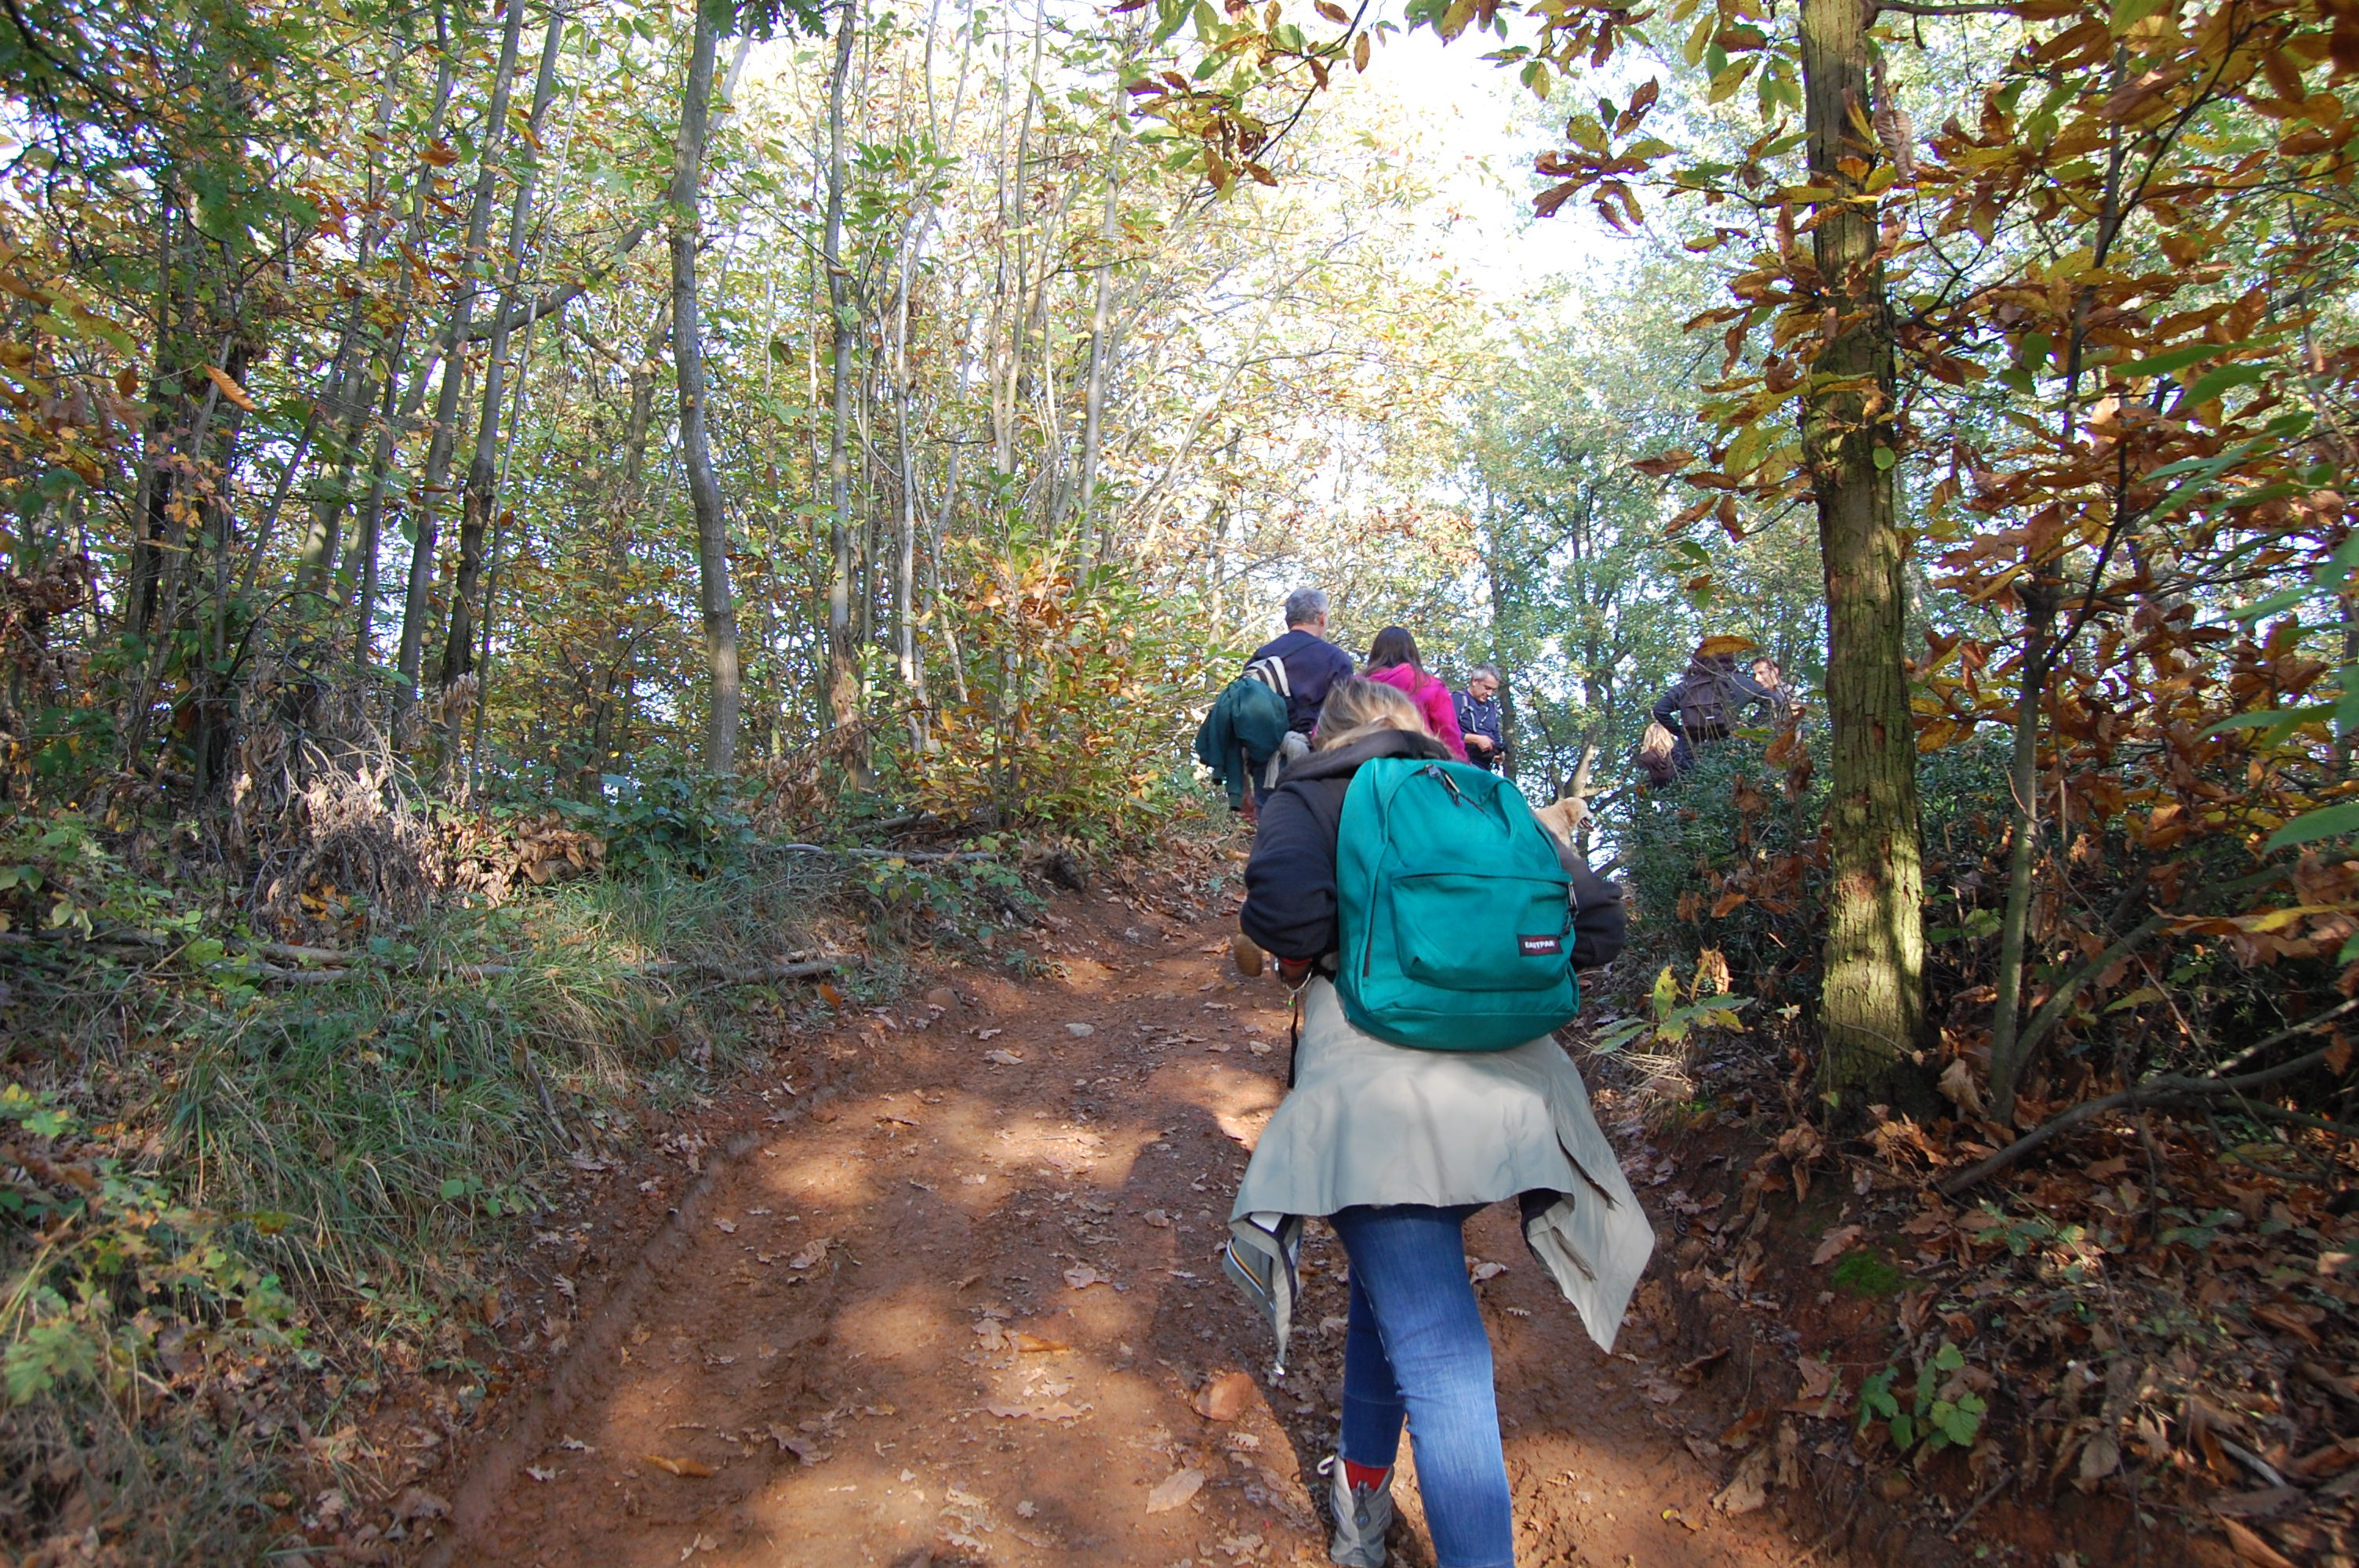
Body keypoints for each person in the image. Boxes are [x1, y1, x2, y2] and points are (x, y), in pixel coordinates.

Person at [1225, 678, 1649, 1568]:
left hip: (1379, 1106)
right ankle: (1362, 1501)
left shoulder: (1308, 791)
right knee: (1398, 1299)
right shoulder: (1484, 795)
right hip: (1509, 1103)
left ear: (1326, 735)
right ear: (1421, 728)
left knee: (1439, 1347)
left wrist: (1319, 952)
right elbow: (1600, 926)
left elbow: (1282, 919)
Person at [1248, 587, 1356, 741]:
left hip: (1260, 754)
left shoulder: (1261, 656)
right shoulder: (1336, 660)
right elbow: (1342, 719)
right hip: (1313, 756)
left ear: (1288, 620)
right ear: (1322, 618)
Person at [1649, 640, 1778, 760]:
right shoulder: (1741, 682)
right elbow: (1775, 703)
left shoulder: (1687, 685)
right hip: (1729, 749)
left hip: (1691, 751)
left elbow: (1660, 710)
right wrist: (1750, 726)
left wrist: (1681, 733)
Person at [1361, 626, 1467, 760]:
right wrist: (1462, 769)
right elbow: (1449, 737)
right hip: (1418, 768)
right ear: (1412, 652)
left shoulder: (1354, 687)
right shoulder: (1430, 685)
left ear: (1375, 652)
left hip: (1363, 768)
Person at [1453, 665, 1507, 772]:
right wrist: (1476, 739)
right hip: (1460, 764)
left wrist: (1499, 753)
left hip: (1484, 768)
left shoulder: (1491, 707)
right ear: (1475, 681)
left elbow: (1496, 737)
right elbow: (1442, 732)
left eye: (1493, 690)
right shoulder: (1458, 699)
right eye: (1487, 688)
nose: (1490, 694)